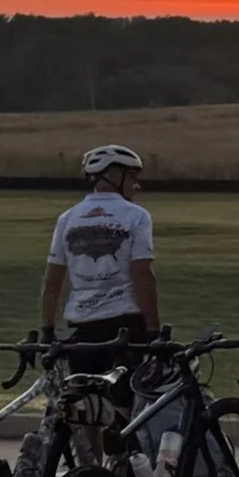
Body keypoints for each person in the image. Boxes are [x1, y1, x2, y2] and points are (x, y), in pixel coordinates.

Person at [40, 144, 158, 360]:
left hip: (80, 323)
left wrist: (47, 328)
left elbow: (53, 280)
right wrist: (153, 330)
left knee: (84, 382)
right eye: (132, 176)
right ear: (113, 176)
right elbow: (142, 275)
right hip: (126, 322)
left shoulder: (67, 218)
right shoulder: (137, 216)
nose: (136, 184)